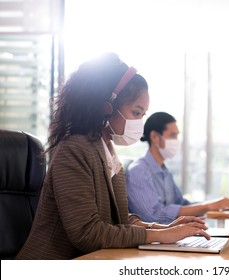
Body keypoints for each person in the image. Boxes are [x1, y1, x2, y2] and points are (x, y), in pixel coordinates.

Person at [16, 53, 209, 260]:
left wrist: (161, 228)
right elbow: (87, 232)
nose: (139, 123)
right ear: (106, 107)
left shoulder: (105, 148)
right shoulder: (73, 149)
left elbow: (117, 219)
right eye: (136, 113)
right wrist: (159, 235)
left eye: (142, 115)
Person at [126, 112, 229, 224]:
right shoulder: (138, 171)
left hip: (171, 238)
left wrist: (216, 204)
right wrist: (207, 206)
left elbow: (182, 204)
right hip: (152, 240)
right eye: (172, 135)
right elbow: (152, 216)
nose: (176, 141)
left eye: (177, 135)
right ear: (155, 137)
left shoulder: (165, 172)